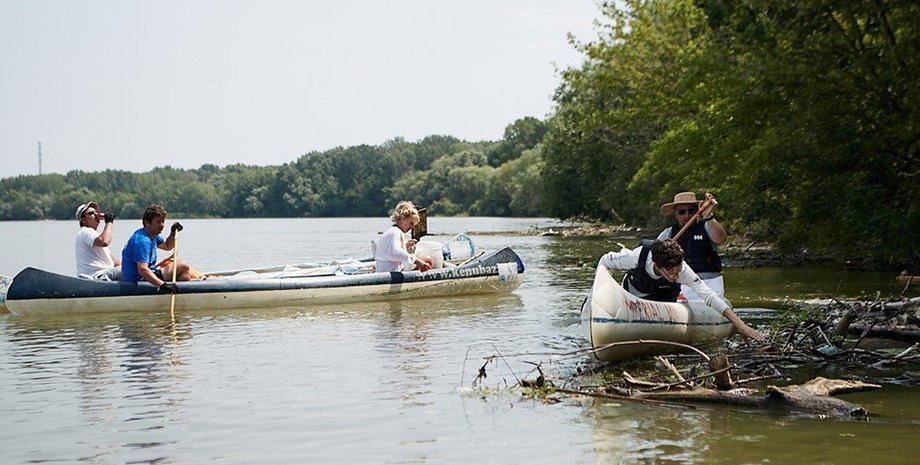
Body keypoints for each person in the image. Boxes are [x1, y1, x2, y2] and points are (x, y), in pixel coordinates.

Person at [598, 239, 764, 341]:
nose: (675, 276)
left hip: (663, 300)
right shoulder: (635, 257)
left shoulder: (682, 269)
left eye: (677, 272)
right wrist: (600, 293)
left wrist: (740, 325)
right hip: (633, 294)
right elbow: (604, 261)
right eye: (670, 272)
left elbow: (708, 295)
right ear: (657, 265)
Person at [657, 191, 726, 299]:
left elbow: (721, 239)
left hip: (710, 282)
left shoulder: (708, 226)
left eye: (691, 211)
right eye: (682, 212)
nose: (687, 215)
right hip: (682, 282)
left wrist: (708, 216)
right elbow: (653, 254)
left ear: (697, 211)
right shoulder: (668, 233)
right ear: (675, 214)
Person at [121, 204, 194, 293]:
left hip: (148, 275)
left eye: (163, 221)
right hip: (139, 281)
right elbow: (142, 270)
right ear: (147, 222)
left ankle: (178, 293)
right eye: (158, 222)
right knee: (183, 265)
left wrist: (173, 233)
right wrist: (162, 284)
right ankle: (184, 294)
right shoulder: (142, 240)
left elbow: (168, 246)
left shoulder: (153, 235)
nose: (162, 225)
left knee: (182, 271)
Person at [375, 201, 432, 273]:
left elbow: (390, 251)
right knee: (428, 259)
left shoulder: (391, 231)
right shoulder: (396, 232)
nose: (412, 227)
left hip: (385, 270)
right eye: (411, 223)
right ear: (403, 219)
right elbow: (396, 252)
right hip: (391, 273)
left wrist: (405, 246)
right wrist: (416, 261)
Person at [74, 201, 122, 280]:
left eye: (97, 212)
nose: (96, 214)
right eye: (91, 213)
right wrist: (109, 222)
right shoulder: (85, 231)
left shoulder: (95, 237)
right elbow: (104, 241)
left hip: (105, 274)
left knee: (136, 268)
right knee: (136, 269)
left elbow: (116, 263)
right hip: (97, 276)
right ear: (83, 220)